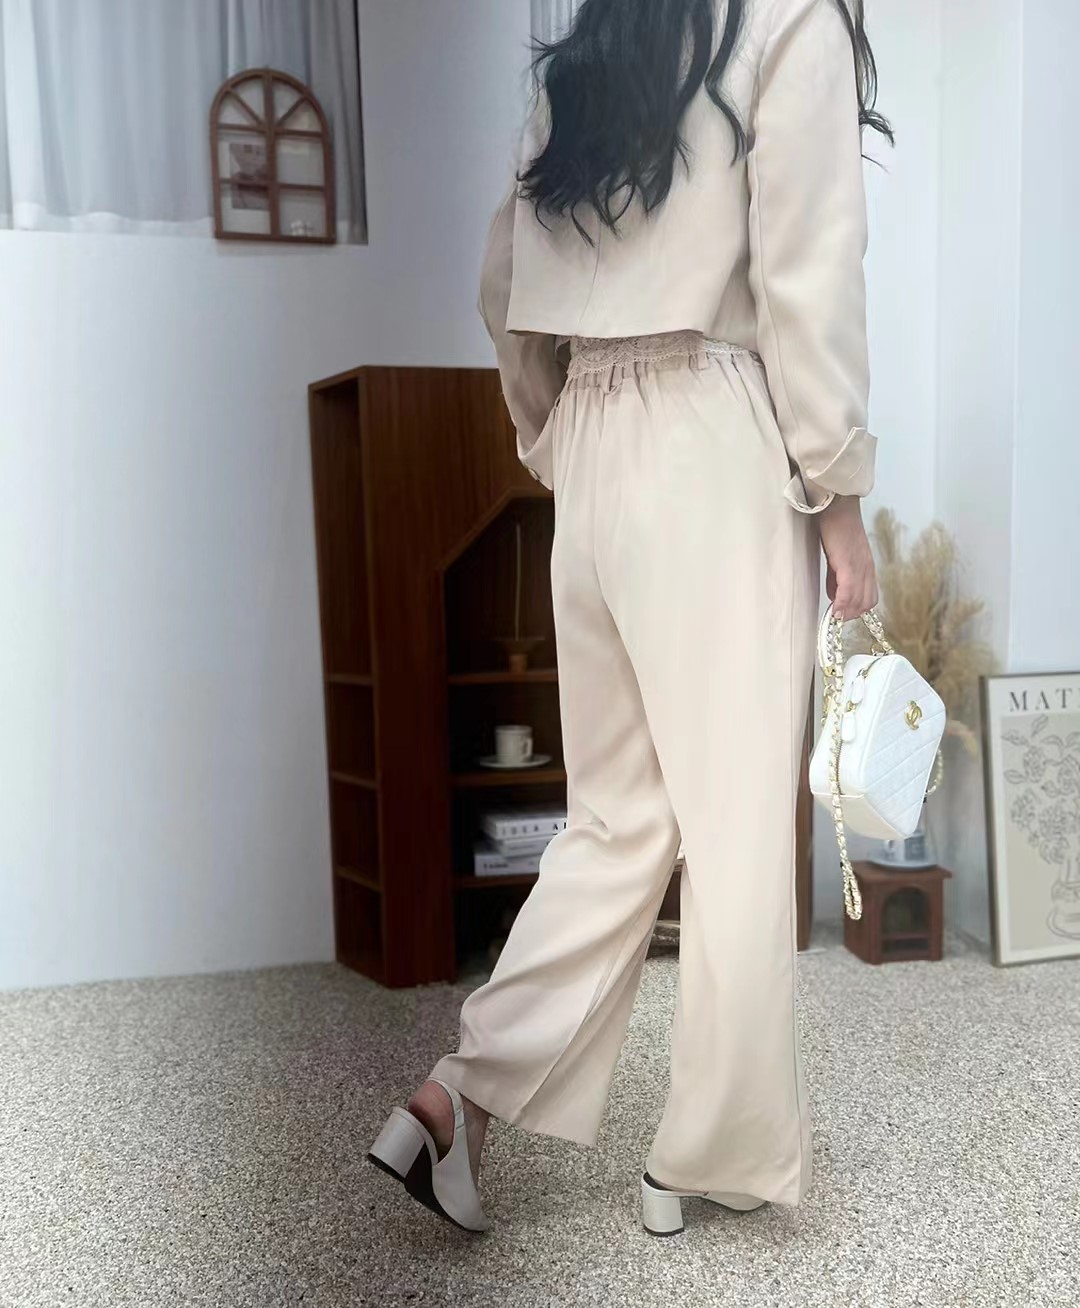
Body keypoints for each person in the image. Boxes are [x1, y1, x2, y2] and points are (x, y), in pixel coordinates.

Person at [369, 0, 890, 1236]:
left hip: (596, 441)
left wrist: (552, 429)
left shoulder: (600, 32)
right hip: (712, 432)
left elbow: (503, 276)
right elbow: (808, 275)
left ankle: (457, 1099)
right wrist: (839, 498)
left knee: (616, 819)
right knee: (734, 827)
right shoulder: (792, 18)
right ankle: (708, 1155)